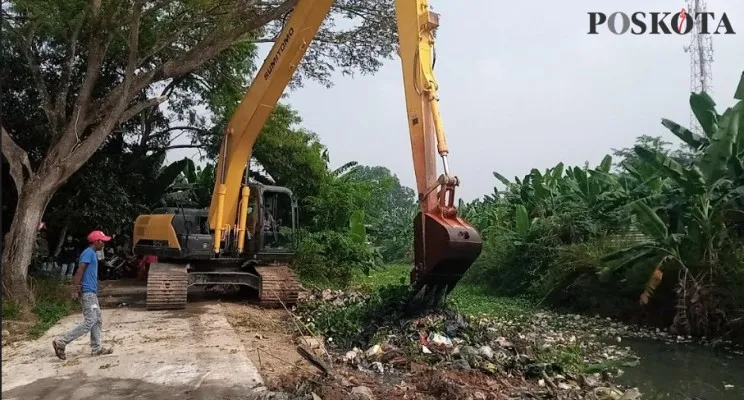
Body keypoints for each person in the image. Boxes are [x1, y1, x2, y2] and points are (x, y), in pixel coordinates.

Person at [52, 230, 114, 360]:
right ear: (96, 241)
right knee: (90, 321)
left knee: (97, 320)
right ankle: (62, 342)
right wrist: (75, 288)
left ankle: (96, 348)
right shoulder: (88, 253)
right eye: (102, 241)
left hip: (91, 292)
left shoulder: (91, 253)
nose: (104, 244)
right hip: (88, 293)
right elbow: (79, 270)